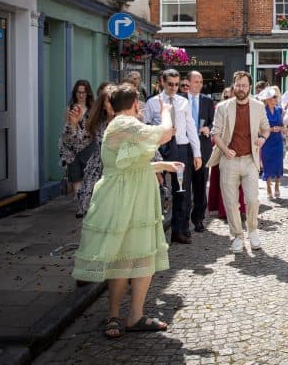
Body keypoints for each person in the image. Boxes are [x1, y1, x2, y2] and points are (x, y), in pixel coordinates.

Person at [72, 83, 182, 338]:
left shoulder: (123, 126)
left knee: (140, 255)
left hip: (135, 195)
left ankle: (134, 315)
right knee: (123, 257)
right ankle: (116, 315)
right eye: (139, 103)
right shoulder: (124, 123)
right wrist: (165, 109)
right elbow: (165, 133)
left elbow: (129, 162)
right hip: (124, 198)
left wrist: (162, 165)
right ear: (133, 104)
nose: (141, 107)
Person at [208, 71, 270, 253]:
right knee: (230, 202)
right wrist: (225, 150)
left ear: (249, 87)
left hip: (250, 160)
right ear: (233, 85)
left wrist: (262, 139)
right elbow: (215, 133)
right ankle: (237, 235)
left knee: (252, 200)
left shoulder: (258, 107)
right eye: (238, 85)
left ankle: (253, 230)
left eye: (244, 85)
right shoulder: (223, 107)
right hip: (229, 160)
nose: (240, 88)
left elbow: (266, 129)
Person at [143, 69, 202, 245]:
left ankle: (180, 230)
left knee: (182, 191)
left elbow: (191, 127)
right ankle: (153, 233)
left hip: (181, 149)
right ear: (162, 82)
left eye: (177, 84)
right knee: (156, 190)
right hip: (159, 149)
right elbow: (145, 127)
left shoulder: (183, 102)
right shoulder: (152, 103)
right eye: (170, 84)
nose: (174, 88)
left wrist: (197, 154)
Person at [183, 71, 215, 232]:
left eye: (201, 82)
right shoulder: (180, 100)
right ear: (188, 83)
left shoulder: (208, 101)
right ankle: (183, 221)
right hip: (184, 148)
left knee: (201, 185)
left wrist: (208, 128)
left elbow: (213, 122)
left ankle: (199, 219)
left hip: (203, 148)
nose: (199, 85)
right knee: (185, 187)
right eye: (196, 82)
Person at [207, 87, 246, 220]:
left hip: (239, 148)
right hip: (222, 147)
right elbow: (215, 130)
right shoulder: (220, 108)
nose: (229, 99)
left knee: (239, 182)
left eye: (231, 96)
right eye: (226, 96)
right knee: (223, 182)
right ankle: (224, 210)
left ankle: (239, 209)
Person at [59, 80, 95, 199]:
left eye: (83, 92)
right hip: (73, 148)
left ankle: (87, 204)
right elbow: (66, 128)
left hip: (89, 146)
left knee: (89, 177)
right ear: (75, 93)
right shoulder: (70, 108)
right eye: (78, 92)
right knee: (76, 178)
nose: (81, 95)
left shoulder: (92, 108)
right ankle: (81, 205)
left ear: (88, 93)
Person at [258, 86, 285, 199]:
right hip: (267, 141)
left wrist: (282, 129)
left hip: (278, 140)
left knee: (279, 163)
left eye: (276, 97)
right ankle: (269, 187)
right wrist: (270, 129)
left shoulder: (279, 110)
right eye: (274, 97)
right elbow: (259, 128)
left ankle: (277, 186)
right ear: (268, 99)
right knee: (268, 164)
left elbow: (284, 125)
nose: (276, 99)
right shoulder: (262, 111)